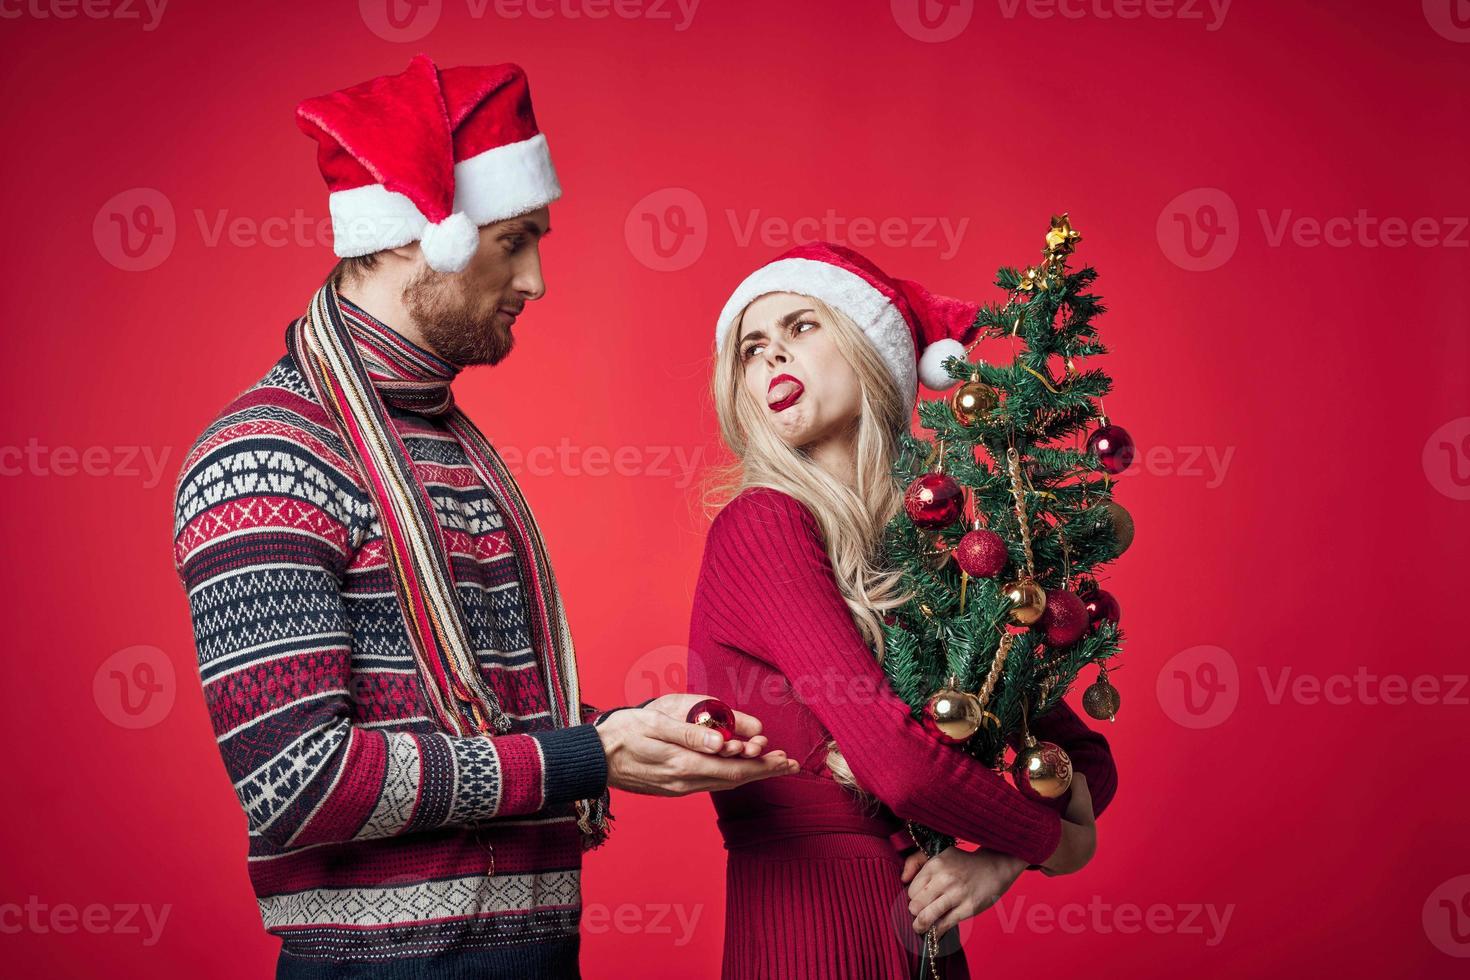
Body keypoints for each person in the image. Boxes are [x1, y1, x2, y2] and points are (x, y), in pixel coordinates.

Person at [171, 55, 795, 980]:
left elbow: (474, 719)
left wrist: (627, 735)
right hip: (385, 966)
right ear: (425, 238)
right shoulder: (267, 456)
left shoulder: (450, 444)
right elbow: (297, 782)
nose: (538, 280)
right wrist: (585, 754)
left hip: (536, 950)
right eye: (515, 241)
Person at [688, 242, 1120, 979]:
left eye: (800, 327)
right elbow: (901, 770)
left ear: (870, 349)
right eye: (751, 347)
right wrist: (1062, 845)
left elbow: (1082, 756)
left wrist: (1005, 860)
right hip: (812, 942)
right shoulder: (762, 525)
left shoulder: (928, 552)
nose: (769, 358)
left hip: (925, 945)